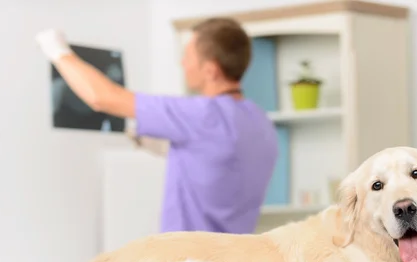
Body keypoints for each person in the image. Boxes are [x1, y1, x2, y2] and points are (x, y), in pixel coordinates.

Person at [35, 18, 278, 234]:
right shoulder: (259, 121)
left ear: (210, 69)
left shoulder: (201, 115)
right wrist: (156, 144)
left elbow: (102, 97)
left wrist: (57, 50)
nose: (182, 63)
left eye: (188, 56)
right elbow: (217, 160)